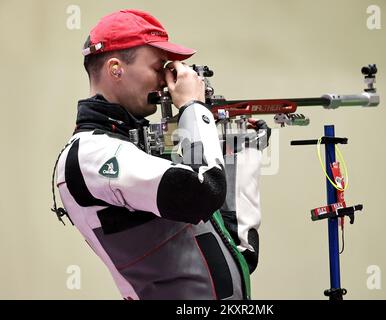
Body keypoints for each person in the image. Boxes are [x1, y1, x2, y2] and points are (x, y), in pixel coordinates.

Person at [52, 9, 270, 300]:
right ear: (116, 68)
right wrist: (193, 108)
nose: (167, 81)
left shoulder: (135, 146)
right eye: (159, 68)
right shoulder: (91, 154)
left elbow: (239, 252)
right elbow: (203, 191)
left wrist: (241, 152)